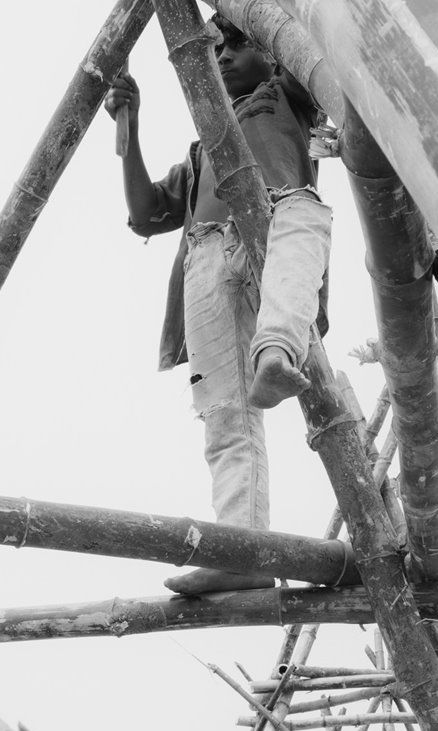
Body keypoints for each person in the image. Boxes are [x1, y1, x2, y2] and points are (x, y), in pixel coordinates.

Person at [106, 17, 332, 595]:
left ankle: (279, 350)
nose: (224, 56)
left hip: (273, 224)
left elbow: (305, 39)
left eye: (237, 45)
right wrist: (128, 129)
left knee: (299, 241)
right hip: (205, 259)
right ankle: (243, 549)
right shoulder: (203, 143)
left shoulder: (287, 98)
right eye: (217, 48)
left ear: (274, 57)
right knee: (226, 418)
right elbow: (143, 212)